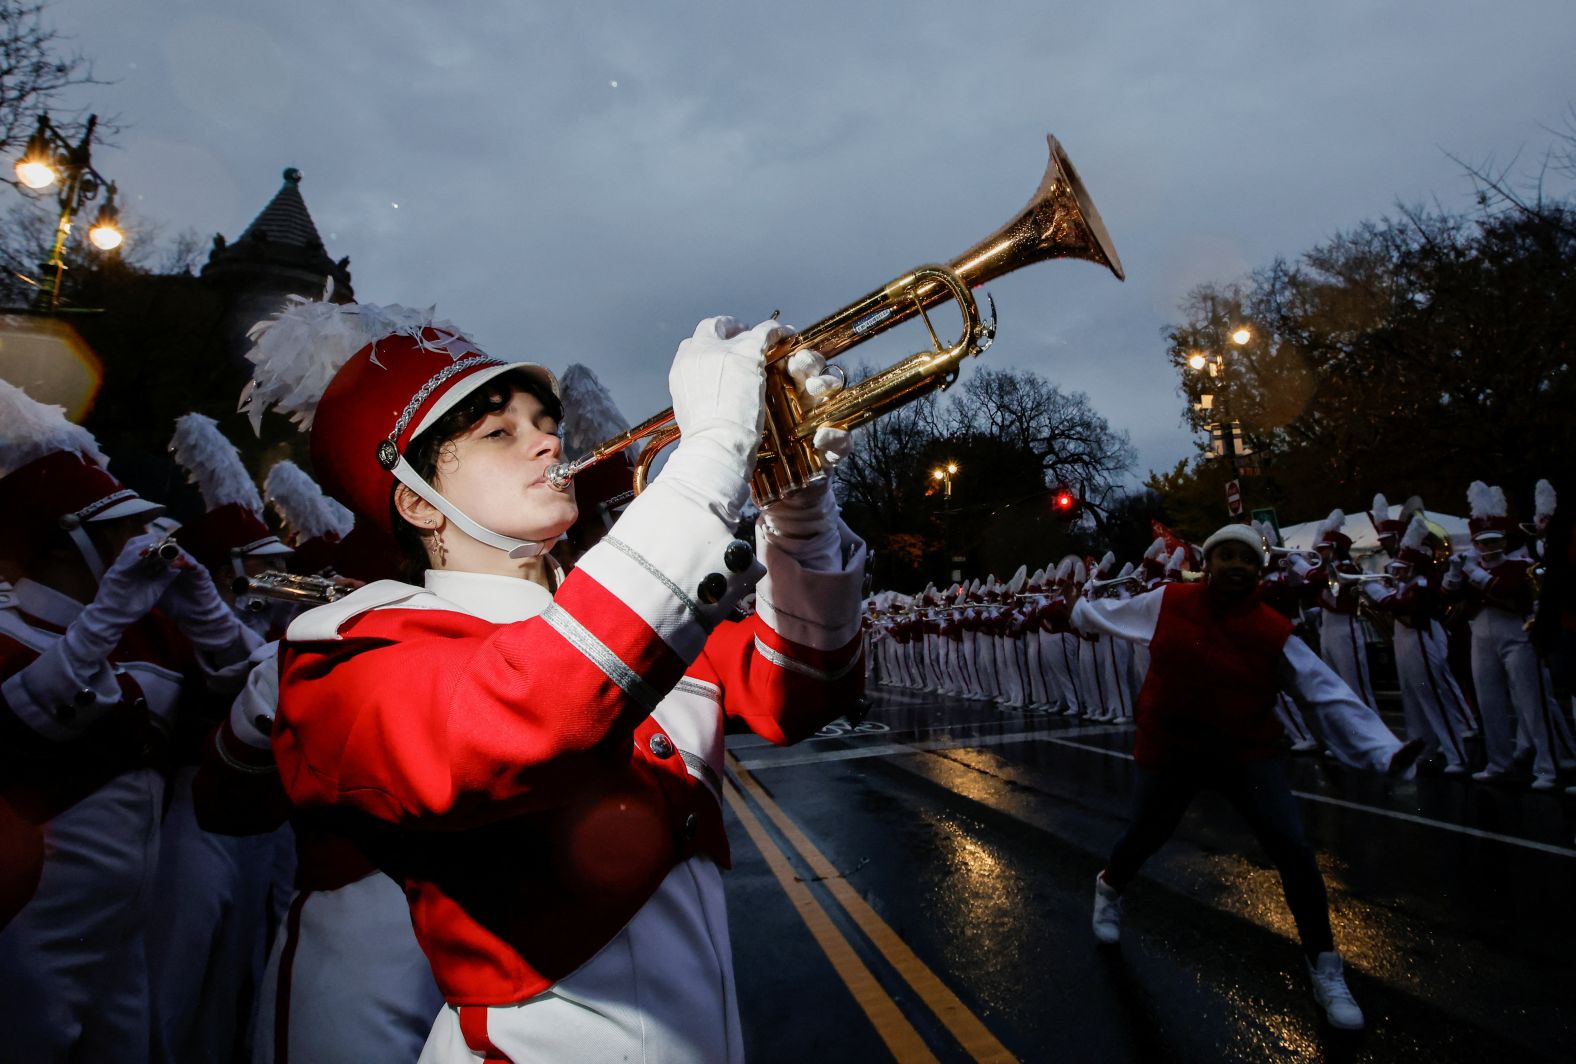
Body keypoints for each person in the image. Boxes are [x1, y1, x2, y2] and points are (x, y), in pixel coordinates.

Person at [242, 301, 866, 1062]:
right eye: (499, 433)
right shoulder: (345, 650)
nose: (546, 439)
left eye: (544, 422)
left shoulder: (622, 615)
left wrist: (798, 511)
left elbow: (800, 688)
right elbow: (530, 709)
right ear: (415, 502)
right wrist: (710, 453)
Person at [1069, 523, 1422, 1032]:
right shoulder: (1168, 601)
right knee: (1148, 832)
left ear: (1259, 570)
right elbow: (1105, 613)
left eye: (1247, 559)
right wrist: (1078, 611)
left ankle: (1325, 967)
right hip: (1173, 749)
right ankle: (1110, 886)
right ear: (1207, 564)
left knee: (1294, 850)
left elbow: (1325, 693)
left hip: (1246, 753)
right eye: (1226, 556)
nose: (1236, 565)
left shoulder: (1272, 630)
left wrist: (1384, 752)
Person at [0, 381, 257, 1062]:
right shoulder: (9, 629)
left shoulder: (152, 636)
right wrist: (107, 614)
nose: (140, 540)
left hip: (127, 916)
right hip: (27, 907)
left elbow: (248, 688)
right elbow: (28, 722)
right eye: (118, 528)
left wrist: (205, 609)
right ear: (62, 546)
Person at [1442, 482, 1575, 789]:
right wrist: (1452, 575)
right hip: (1481, 634)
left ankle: (1547, 767)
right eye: (1483, 543)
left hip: (1516, 633)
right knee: (1489, 701)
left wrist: (1475, 574)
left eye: (1494, 541)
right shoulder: (1472, 566)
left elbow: (1507, 590)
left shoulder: (1519, 564)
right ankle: (1498, 762)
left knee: (1532, 702)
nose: (1489, 548)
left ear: (1503, 540)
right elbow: (1446, 597)